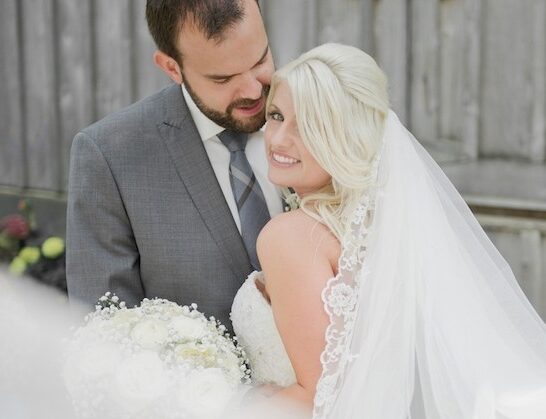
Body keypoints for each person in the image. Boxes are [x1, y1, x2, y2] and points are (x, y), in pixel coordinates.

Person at [230, 43, 546, 418]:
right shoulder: (387, 224)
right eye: (278, 115)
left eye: (311, 126)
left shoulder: (289, 237)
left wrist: (216, 401)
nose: (279, 139)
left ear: (348, 138)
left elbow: (318, 400)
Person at [66, 0, 283, 327]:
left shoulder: (319, 111)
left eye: (260, 59)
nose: (253, 90)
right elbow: (103, 333)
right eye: (223, 79)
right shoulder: (109, 156)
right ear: (171, 67)